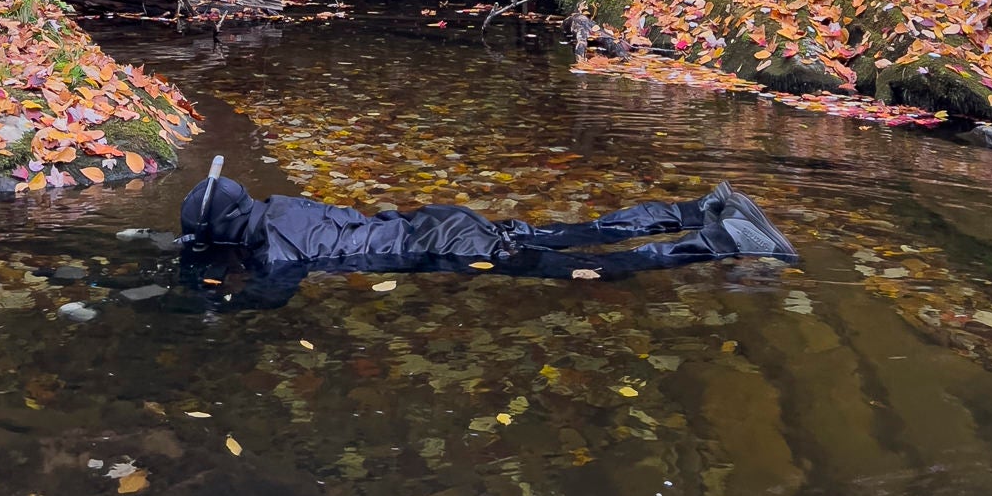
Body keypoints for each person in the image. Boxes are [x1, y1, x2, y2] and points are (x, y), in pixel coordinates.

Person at [178, 163, 798, 293]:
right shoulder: (284, 205)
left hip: (446, 245)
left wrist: (213, 296)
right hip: (441, 221)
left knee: (586, 272)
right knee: (572, 233)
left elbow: (267, 297)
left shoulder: (275, 253)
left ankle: (719, 241)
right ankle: (699, 208)